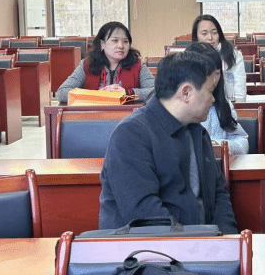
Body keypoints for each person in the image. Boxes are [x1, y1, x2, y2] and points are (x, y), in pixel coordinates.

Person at [99, 51, 238, 234]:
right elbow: (145, 216)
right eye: (210, 91)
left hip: (201, 242)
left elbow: (218, 194)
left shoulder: (197, 131)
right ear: (186, 93)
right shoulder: (130, 135)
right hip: (149, 247)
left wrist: (228, 239)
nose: (213, 99)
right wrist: (197, 243)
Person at [56, 21, 154, 103]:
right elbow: (62, 93)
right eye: (115, 40)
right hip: (94, 117)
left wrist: (127, 93)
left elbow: (156, 92)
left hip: (129, 117)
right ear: (102, 44)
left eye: (125, 41)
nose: (121, 45)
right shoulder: (86, 65)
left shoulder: (138, 65)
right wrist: (97, 95)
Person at [186, 42, 249, 154]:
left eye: (217, 73)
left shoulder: (223, 104)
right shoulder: (181, 108)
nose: (214, 80)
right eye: (209, 74)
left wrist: (219, 145)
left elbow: (242, 142)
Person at [192, 15, 246, 102]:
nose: (210, 38)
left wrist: (238, 106)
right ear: (196, 36)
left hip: (228, 104)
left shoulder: (234, 55)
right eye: (204, 34)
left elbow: (240, 89)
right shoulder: (190, 56)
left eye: (214, 33)